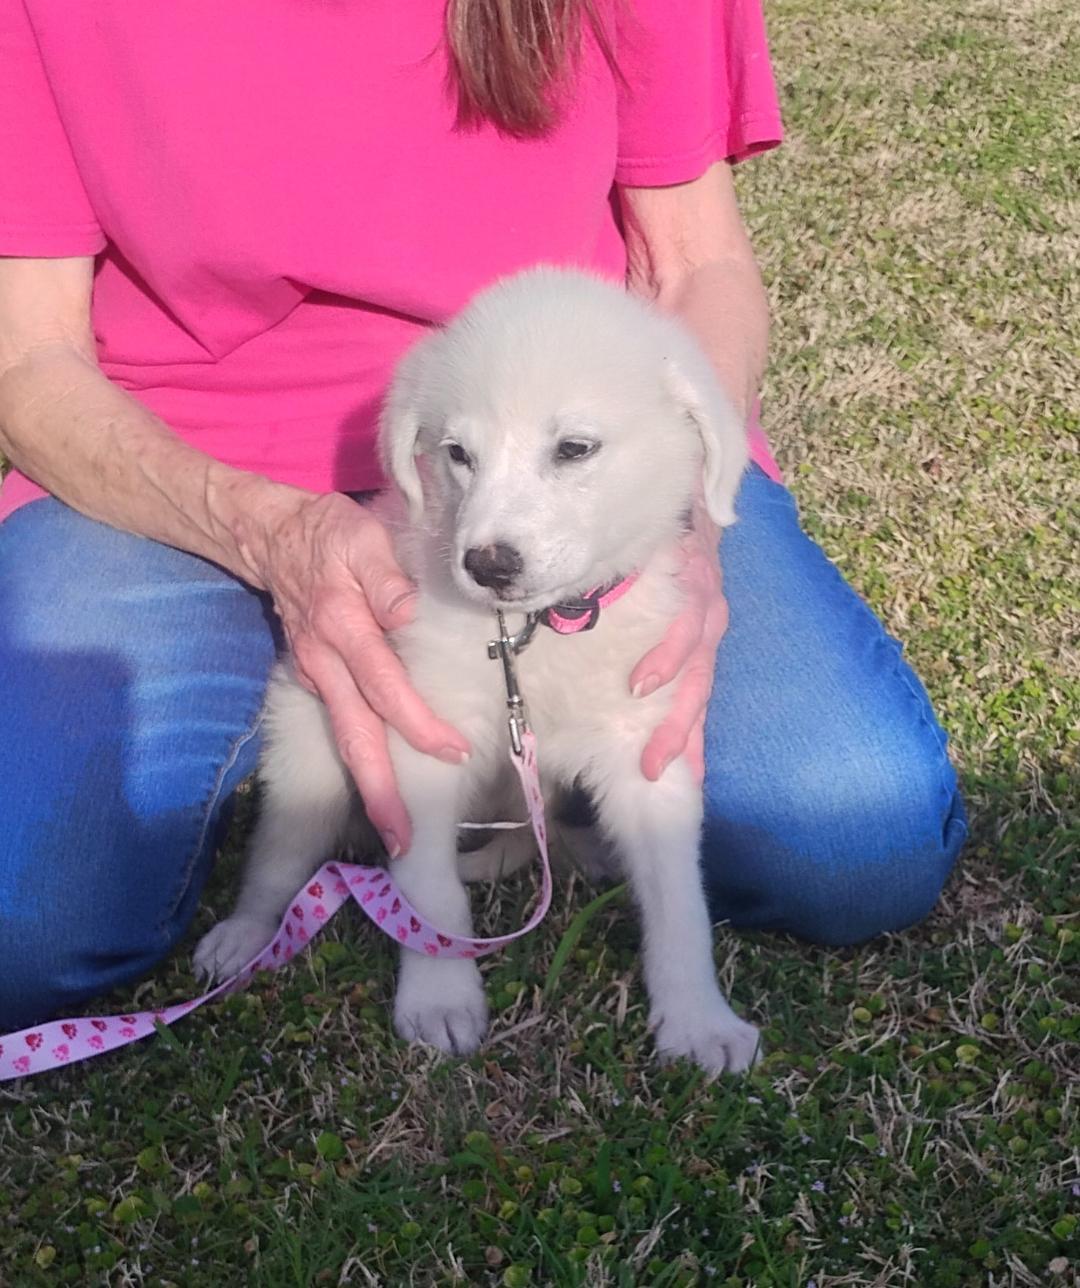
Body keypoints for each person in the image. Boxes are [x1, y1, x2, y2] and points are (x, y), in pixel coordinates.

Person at [0, 0, 966, 1031]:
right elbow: (27, 360)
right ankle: (271, 728)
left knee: (858, 840)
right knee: (27, 925)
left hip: (574, 442)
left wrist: (686, 520)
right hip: (176, 460)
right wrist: (269, 536)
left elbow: (697, 264)